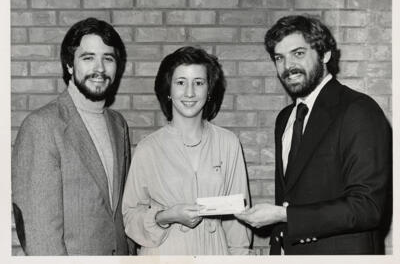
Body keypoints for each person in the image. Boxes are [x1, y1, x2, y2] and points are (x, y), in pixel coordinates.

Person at [235, 15, 392, 254]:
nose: (287, 67)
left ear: (325, 54)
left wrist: (283, 215)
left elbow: (368, 208)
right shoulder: (285, 118)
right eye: (279, 58)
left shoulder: (358, 110)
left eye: (298, 54)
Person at [12, 18, 133, 255]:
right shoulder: (42, 126)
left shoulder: (118, 124)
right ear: (69, 65)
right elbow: (40, 236)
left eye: (108, 58)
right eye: (88, 58)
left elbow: (120, 210)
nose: (99, 68)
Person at [122, 46, 251, 255]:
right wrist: (166, 216)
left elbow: (238, 219)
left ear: (209, 90)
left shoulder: (228, 143)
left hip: (214, 252)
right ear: (169, 90)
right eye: (181, 82)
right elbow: (129, 216)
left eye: (198, 83)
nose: (189, 92)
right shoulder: (148, 148)